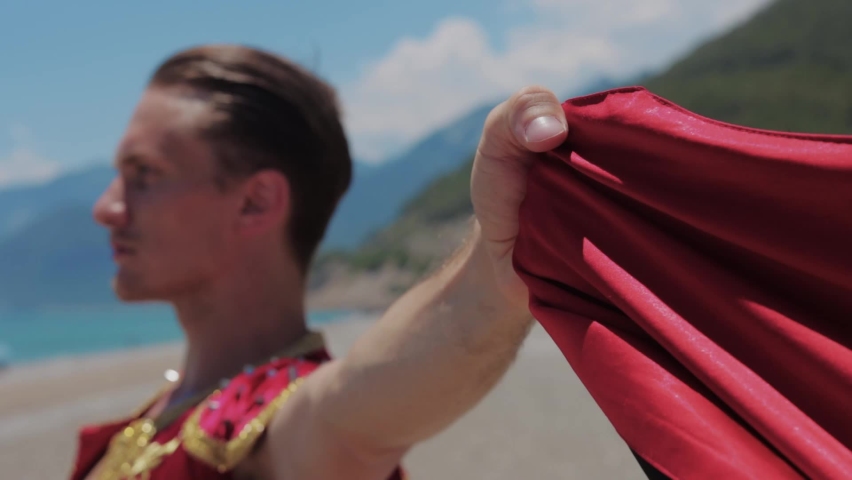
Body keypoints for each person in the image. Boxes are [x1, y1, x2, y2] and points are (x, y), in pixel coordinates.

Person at [70, 44, 570, 480]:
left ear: (256, 202)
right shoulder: (159, 416)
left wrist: (495, 267)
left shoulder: (267, 427)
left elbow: (355, 417)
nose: (107, 208)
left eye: (145, 174)